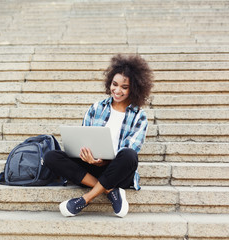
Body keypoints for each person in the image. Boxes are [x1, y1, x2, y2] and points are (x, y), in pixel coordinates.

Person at [44, 53, 153, 217]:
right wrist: (87, 156)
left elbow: (131, 148)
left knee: (129, 156)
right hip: (91, 166)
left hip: (117, 171)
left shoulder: (139, 116)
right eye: (114, 84)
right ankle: (110, 191)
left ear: (135, 88)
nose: (117, 90)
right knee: (51, 156)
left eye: (124, 87)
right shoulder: (97, 107)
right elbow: (84, 136)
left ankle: (85, 199)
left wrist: (105, 161)